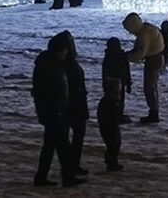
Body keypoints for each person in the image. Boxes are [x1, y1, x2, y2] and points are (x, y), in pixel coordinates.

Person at [31, 31, 84, 188]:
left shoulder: (50, 65)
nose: (66, 53)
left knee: (52, 146)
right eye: (64, 51)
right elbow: (49, 92)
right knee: (62, 147)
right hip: (54, 113)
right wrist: (58, 111)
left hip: (54, 112)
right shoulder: (51, 68)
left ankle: (42, 177)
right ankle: (66, 177)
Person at [123, 12, 165, 124]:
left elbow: (139, 54)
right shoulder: (146, 28)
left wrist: (125, 57)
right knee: (152, 87)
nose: (129, 32)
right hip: (158, 58)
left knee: (149, 87)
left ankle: (153, 114)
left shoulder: (143, 35)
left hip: (153, 60)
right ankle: (154, 112)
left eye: (129, 29)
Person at [63, 33, 89, 181]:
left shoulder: (64, 62)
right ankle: (71, 166)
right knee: (75, 137)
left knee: (73, 138)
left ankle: (72, 165)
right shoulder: (70, 63)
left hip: (73, 104)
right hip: (74, 105)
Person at [102, 36, 132, 123]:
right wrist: (129, 83)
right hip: (115, 81)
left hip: (116, 81)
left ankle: (117, 115)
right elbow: (127, 70)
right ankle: (116, 115)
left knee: (118, 100)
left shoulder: (109, 56)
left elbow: (127, 69)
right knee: (115, 100)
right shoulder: (119, 56)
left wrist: (129, 83)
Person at [97, 77, 124, 172]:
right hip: (108, 126)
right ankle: (111, 163)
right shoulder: (108, 102)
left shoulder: (108, 101)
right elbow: (109, 115)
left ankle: (112, 162)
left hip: (110, 125)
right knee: (113, 144)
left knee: (115, 144)